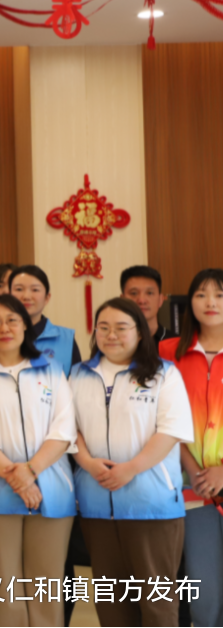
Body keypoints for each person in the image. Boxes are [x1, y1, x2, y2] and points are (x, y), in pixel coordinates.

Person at [0, 295, 76, 628]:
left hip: (51, 489)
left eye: (12, 320)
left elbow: (64, 429)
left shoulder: (51, 370)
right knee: (1, 587)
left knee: (46, 587)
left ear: (25, 325)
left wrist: (31, 471)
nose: (4, 328)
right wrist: (19, 479)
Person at [74, 297, 193, 628]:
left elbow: (171, 431)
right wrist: (87, 462)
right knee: (112, 604)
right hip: (97, 505)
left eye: (121, 328)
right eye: (103, 327)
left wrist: (131, 468)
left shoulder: (163, 374)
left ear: (140, 332)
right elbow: (67, 429)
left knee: (158, 604)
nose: (111, 335)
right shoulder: (78, 374)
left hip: (151, 505)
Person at [160, 269, 223, 628]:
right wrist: (193, 467)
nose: (211, 302)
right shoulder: (168, 353)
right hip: (192, 488)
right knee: (204, 597)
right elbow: (161, 417)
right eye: (201, 294)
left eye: (220, 295)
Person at [9, 265, 82, 374]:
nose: (26, 296)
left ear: (47, 298)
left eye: (35, 289)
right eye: (19, 289)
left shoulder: (66, 339)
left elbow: (77, 382)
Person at [121, 265, 176, 345]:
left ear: (160, 300)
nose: (142, 300)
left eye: (149, 293)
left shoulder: (178, 344)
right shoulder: (113, 343)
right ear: (122, 300)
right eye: (134, 293)